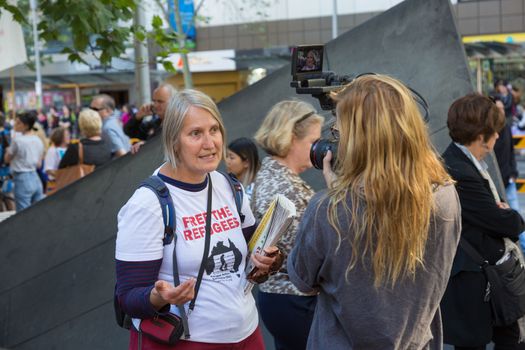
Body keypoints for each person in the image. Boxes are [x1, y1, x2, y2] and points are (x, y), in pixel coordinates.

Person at [287, 74, 462, 349]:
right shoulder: (445, 197)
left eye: (338, 133)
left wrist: (337, 197)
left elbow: (302, 280)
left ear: (357, 141)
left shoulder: (326, 210)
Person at [115, 89, 282, 349]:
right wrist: (159, 296)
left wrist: (269, 260)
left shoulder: (229, 187)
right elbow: (128, 297)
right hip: (188, 341)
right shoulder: (147, 204)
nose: (209, 143)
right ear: (173, 141)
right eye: (195, 133)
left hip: (247, 334)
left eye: (214, 130)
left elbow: (253, 258)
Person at [441, 93, 525, 350]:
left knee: (509, 337)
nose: (498, 136)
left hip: (485, 275)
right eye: (494, 131)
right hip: (473, 281)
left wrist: (502, 212)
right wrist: (510, 214)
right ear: (481, 136)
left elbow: (495, 213)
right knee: (479, 343)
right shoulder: (460, 171)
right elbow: (507, 223)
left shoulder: (465, 163)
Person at [252, 100, 324, 350]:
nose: (317, 149)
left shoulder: (271, 173)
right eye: (312, 142)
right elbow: (309, 257)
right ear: (292, 138)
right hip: (295, 300)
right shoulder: (285, 188)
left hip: (282, 299)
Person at [4, 111, 45, 212]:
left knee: (23, 215)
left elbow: (6, 159)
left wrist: (7, 150)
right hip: (36, 178)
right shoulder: (38, 140)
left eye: (18, 123)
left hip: (21, 179)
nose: (15, 125)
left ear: (25, 126)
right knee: (38, 212)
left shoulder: (17, 141)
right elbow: (39, 164)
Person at [225, 137, 260, 201]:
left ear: (246, 162)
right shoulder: (226, 185)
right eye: (227, 156)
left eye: (231, 157)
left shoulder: (257, 190)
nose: (227, 161)